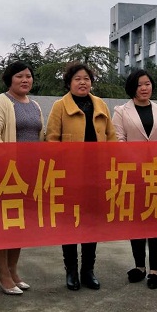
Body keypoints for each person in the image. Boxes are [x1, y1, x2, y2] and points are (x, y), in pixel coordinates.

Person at [46, 63, 117, 291]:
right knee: (69, 222)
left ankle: (88, 270)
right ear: (69, 82)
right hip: (70, 175)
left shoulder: (100, 105)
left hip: (96, 174)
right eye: (77, 78)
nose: (82, 82)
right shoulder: (60, 106)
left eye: (86, 78)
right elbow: (51, 140)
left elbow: (111, 137)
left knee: (91, 222)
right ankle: (71, 271)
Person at [0, 61, 45, 295]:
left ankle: (12, 271)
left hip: (30, 175)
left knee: (19, 224)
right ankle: (2, 275)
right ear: (9, 79)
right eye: (19, 76)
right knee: (1, 224)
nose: (25, 80)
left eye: (28, 76)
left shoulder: (35, 105)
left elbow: (40, 138)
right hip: (6, 175)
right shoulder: (0, 102)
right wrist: (10, 167)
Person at [112, 69, 157, 290]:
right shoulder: (121, 111)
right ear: (132, 88)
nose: (144, 88)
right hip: (132, 173)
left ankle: (155, 270)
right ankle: (139, 266)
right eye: (139, 85)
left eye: (147, 83)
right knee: (136, 220)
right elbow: (118, 141)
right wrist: (137, 161)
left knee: (156, 220)